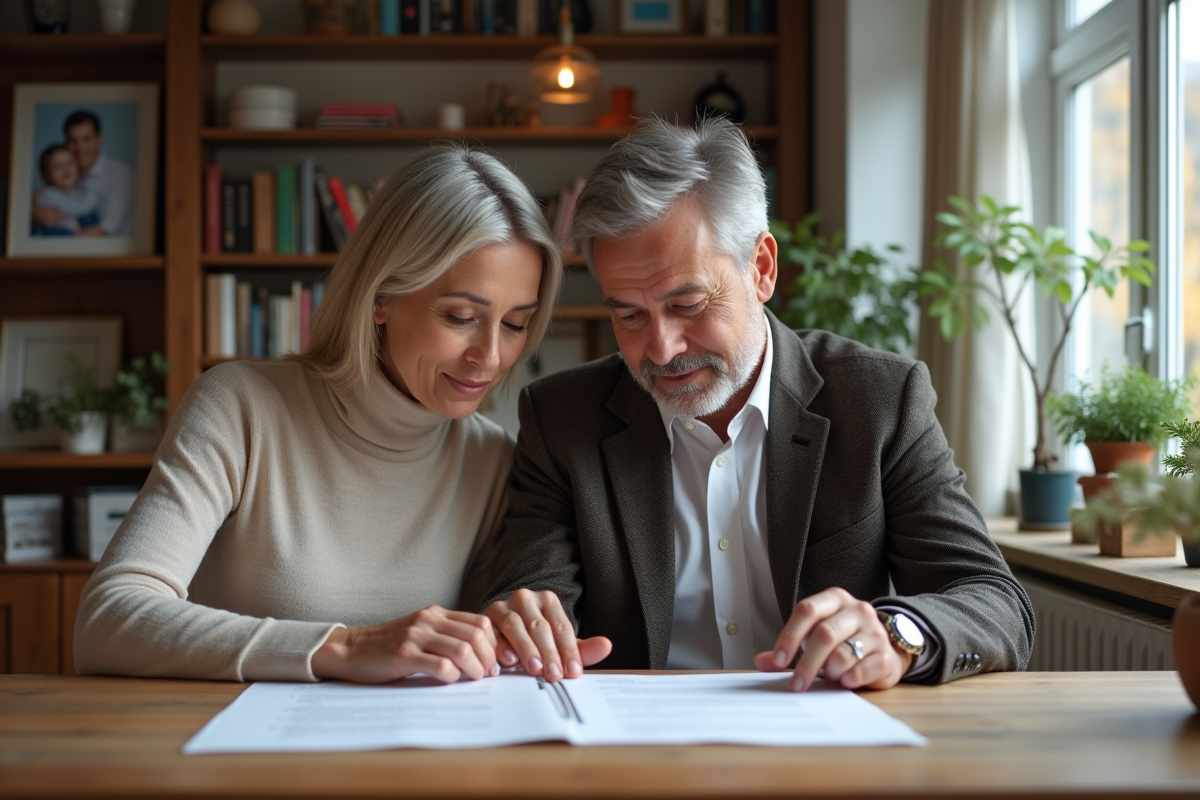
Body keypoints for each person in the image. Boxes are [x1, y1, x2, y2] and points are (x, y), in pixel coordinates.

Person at [482, 117, 1035, 691]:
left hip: (827, 753)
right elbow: (530, 601)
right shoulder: (561, 420)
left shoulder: (878, 402)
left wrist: (898, 635)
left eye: (689, 304)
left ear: (762, 268)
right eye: (628, 315)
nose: (662, 348)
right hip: (641, 758)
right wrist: (524, 627)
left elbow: (993, 600)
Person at [75, 145, 564, 684]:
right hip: (235, 753)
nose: (490, 357)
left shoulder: (492, 460)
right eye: (460, 316)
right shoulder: (241, 408)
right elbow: (106, 620)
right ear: (381, 297)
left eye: (516, 324)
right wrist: (344, 648)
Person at [30, 110, 135, 237]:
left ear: (99, 139)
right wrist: (33, 212)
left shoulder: (120, 173)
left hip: (110, 251)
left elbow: (109, 226)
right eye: (73, 141)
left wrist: (69, 245)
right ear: (66, 143)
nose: (80, 147)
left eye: (86, 139)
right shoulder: (67, 176)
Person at [31, 143, 100, 236]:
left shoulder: (78, 192)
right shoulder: (48, 194)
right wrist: (94, 193)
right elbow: (79, 208)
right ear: (45, 175)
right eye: (58, 166)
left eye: (69, 163)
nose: (65, 168)